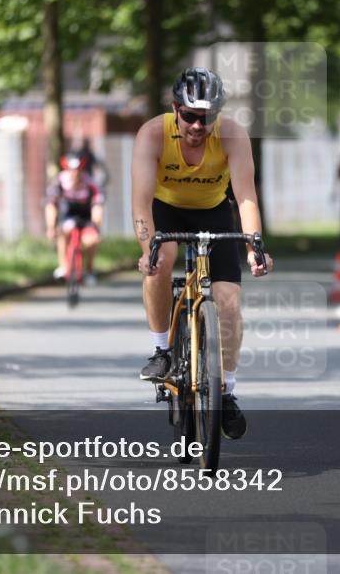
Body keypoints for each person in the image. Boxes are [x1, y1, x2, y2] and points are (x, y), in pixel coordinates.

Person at [131, 67, 273, 440]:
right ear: (175, 108)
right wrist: (148, 250)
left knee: (228, 300)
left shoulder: (232, 134)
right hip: (166, 207)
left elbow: (245, 197)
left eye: (207, 117)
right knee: (159, 265)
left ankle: (225, 391)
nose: (198, 125)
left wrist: (254, 246)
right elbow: (141, 203)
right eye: (190, 115)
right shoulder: (152, 135)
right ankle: (162, 350)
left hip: (213, 209)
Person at [45, 153, 104, 286]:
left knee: (91, 240)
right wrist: (50, 227)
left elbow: (97, 207)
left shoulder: (90, 183)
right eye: (71, 170)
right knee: (64, 231)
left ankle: (89, 270)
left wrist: (97, 226)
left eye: (77, 170)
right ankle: (63, 267)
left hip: (86, 217)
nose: (74, 173)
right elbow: (51, 205)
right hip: (68, 216)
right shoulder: (59, 182)